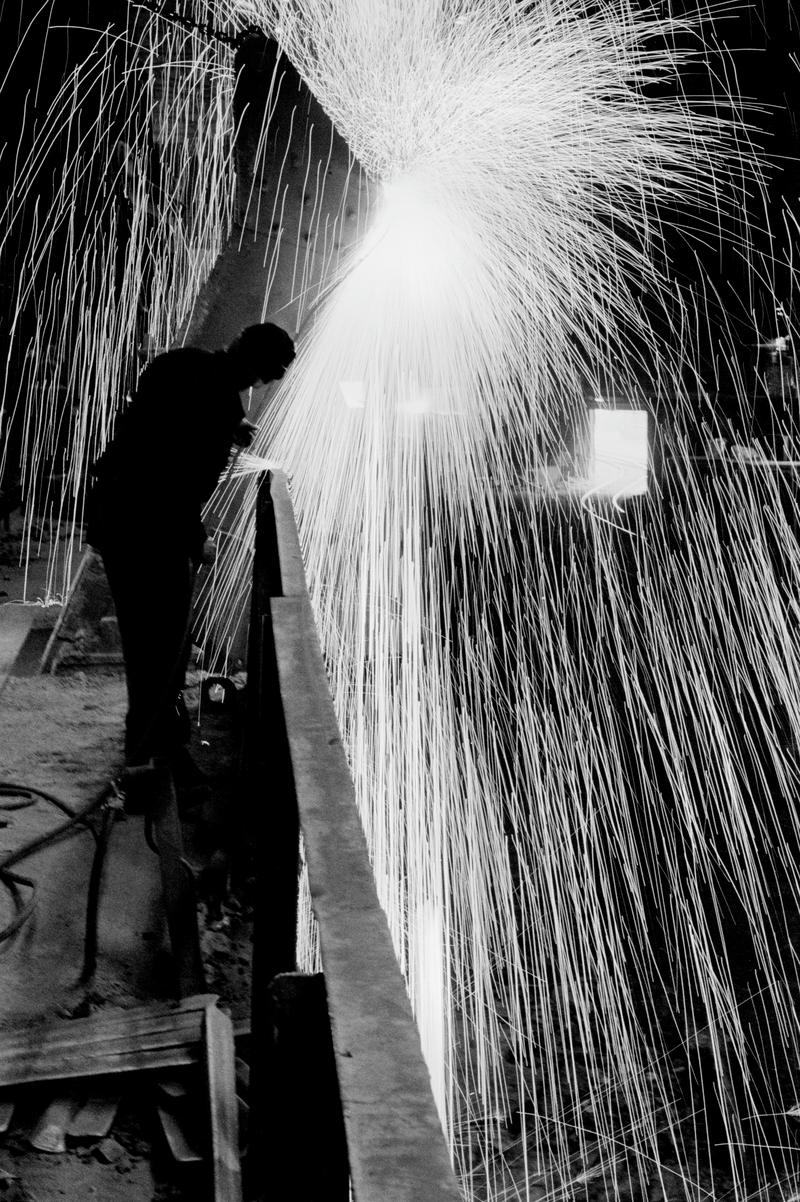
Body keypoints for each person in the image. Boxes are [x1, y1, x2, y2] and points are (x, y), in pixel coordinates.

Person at [87, 322, 295, 779]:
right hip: (150, 528)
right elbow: (170, 476)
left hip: (116, 516)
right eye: (266, 378)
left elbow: (159, 427)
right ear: (260, 372)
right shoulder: (218, 398)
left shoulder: (182, 364)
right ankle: (143, 762)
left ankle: (159, 744)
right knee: (160, 650)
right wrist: (196, 538)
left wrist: (230, 425)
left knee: (153, 644)